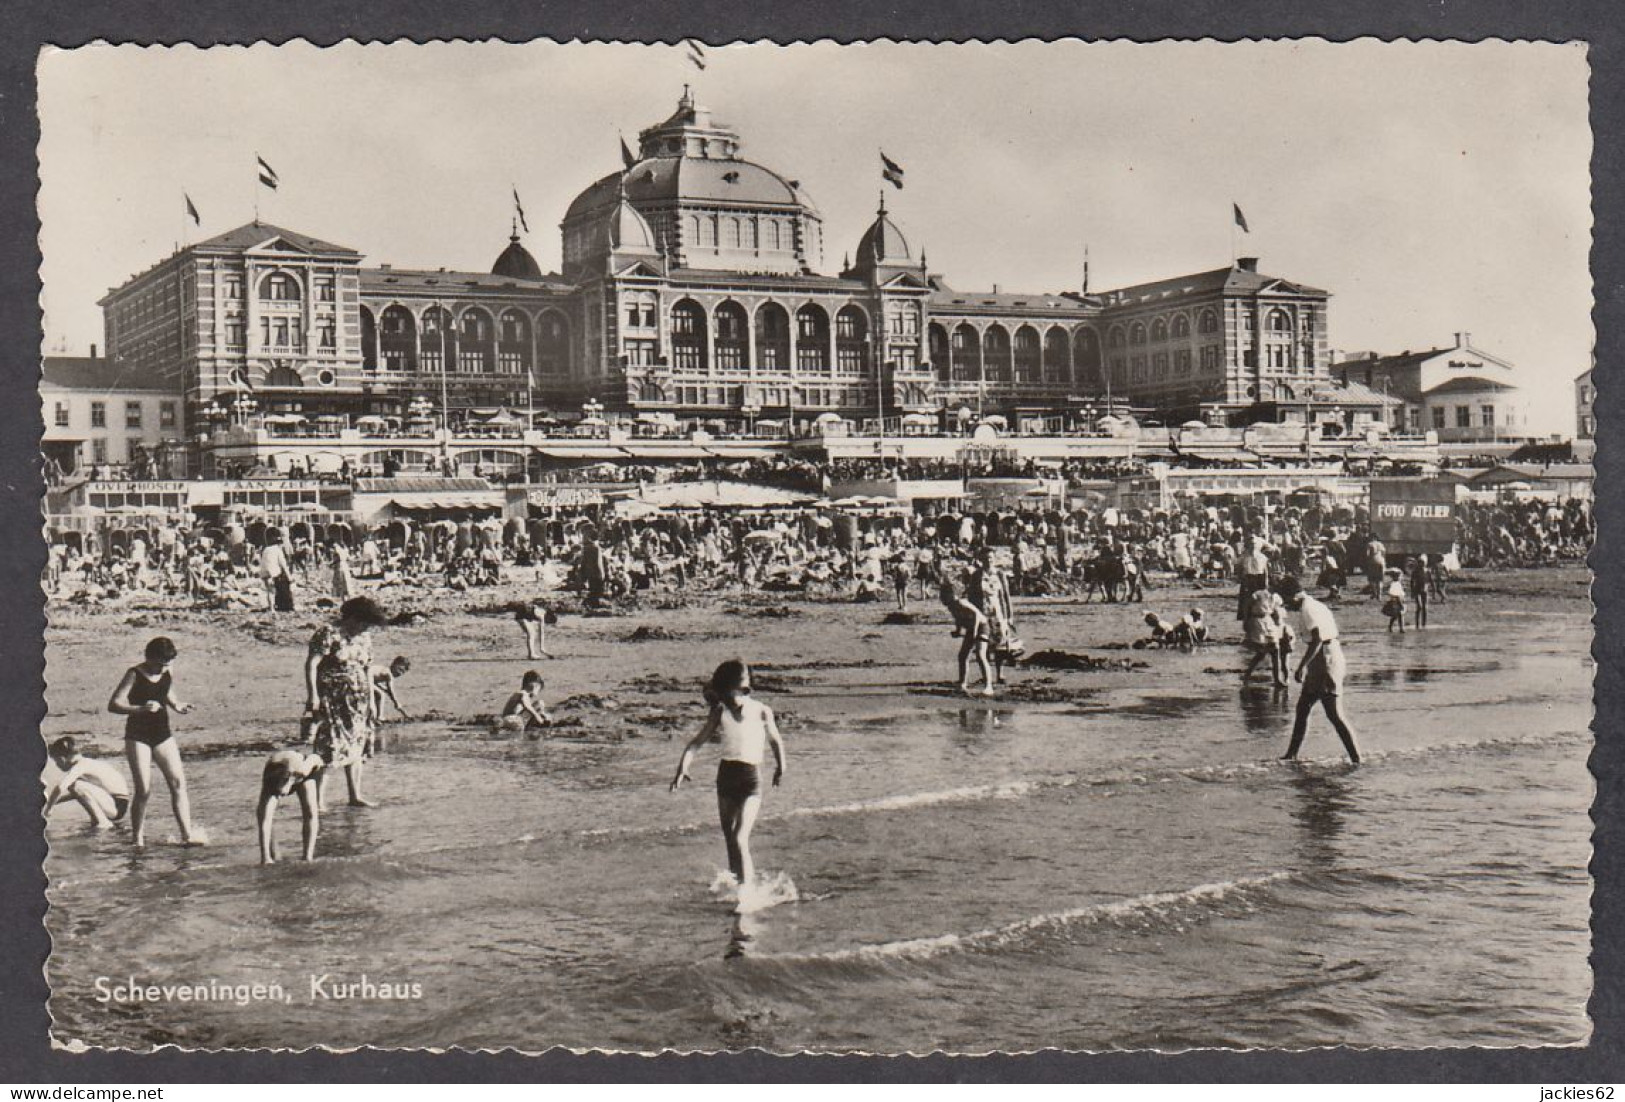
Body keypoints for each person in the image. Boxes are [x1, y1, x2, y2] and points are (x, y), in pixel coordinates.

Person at [670, 660, 787, 899]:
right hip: (726, 777)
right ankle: (738, 884)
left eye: (732, 698)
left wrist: (781, 766)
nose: (729, 704)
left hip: (751, 779)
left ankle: (748, 894)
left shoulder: (762, 711)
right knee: (729, 837)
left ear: (744, 690)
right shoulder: (720, 712)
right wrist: (683, 767)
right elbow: (696, 742)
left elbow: (775, 740)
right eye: (724, 698)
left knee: (740, 837)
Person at [107, 636, 202, 847]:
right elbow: (113, 704)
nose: (163, 668)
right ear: (149, 657)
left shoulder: (167, 670)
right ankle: (137, 839)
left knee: (178, 783)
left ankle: (186, 836)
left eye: (167, 664)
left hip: (162, 733)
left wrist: (177, 705)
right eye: (160, 664)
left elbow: (166, 691)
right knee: (144, 790)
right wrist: (140, 709)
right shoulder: (134, 674)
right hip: (138, 735)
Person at [305, 596, 390, 810]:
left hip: (358, 702)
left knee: (357, 746)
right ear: (352, 617)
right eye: (363, 623)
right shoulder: (328, 633)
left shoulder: (364, 638)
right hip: (332, 701)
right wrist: (313, 695)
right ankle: (318, 802)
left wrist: (371, 700)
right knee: (328, 747)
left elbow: (368, 669)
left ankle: (355, 795)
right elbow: (312, 664)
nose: (364, 628)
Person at [1278, 576, 1361, 764]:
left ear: (1294, 596)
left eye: (1286, 599)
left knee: (1334, 713)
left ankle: (1356, 758)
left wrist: (1301, 666)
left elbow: (1317, 640)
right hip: (1324, 658)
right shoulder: (1314, 605)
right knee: (1303, 708)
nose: (1286, 605)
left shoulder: (1309, 609)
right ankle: (1291, 755)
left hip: (1325, 659)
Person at [42, 737, 131, 829]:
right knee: (76, 787)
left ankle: (103, 822)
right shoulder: (87, 763)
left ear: (62, 758)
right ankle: (99, 820)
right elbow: (78, 794)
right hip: (116, 804)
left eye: (56, 761)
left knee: (75, 786)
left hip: (116, 806)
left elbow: (61, 787)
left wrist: (48, 809)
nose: (57, 766)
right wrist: (49, 802)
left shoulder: (80, 766)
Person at [256, 748, 324, 864]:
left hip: (306, 769)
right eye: (277, 793)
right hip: (278, 768)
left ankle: (307, 856)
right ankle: (268, 855)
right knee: (264, 814)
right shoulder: (270, 775)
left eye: (281, 792)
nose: (282, 795)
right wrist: (265, 858)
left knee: (311, 812)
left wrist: (319, 794)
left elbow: (318, 760)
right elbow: (264, 820)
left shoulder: (303, 770)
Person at [941, 583, 996, 695]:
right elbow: (958, 619)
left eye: (945, 595)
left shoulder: (961, 603)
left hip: (982, 626)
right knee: (962, 655)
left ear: (953, 594)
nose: (943, 598)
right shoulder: (951, 606)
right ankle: (962, 683)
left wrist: (975, 631)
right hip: (971, 629)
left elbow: (976, 614)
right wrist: (958, 631)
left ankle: (988, 686)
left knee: (980, 655)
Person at [1241, 586, 1289, 687]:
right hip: (1257, 621)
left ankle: (1277, 679)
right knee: (1261, 653)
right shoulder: (1258, 594)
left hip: (1269, 621)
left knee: (1275, 649)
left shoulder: (1276, 597)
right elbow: (1246, 606)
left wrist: (1280, 623)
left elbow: (1278, 611)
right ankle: (1247, 675)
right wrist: (1245, 621)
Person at [367, 656, 411, 753]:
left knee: (380, 694)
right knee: (379, 695)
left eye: (403, 673)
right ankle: (379, 717)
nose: (400, 674)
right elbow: (391, 691)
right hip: (367, 675)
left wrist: (383, 689)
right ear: (394, 665)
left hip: (367, 675)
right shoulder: (388, 674)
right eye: (400, 670)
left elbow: (376, 681)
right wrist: (396, 703)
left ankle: (377, 717)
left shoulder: (385, 671)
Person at [498, 671, 551, 735]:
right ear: (534, 685)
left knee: (538, 707)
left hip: (507, 720)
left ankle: (532, 726)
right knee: (540, 703)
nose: (537, 694)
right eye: (538, 689)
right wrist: (538, 717)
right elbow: (528, 706)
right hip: (513, 720)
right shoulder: (523, 693)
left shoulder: (519, 693)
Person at [260, 529, 294, 612]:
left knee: (269, 591)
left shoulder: (266, 549)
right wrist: (289, 577)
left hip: (264, 572)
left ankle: (271, 607)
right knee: (277, 589)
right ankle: (280, 605)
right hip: (273, 573)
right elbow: (283, 564)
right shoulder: (278, 550)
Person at [1408, 554, 1431, 629]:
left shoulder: (1427, 571)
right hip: (1417, 590)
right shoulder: (1415, 571)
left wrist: (1433, 590)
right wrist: (1412, 591)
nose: (1421, 564)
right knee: (1419, 606)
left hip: (1425, 590)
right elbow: (1412, 581)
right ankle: (1417, 624)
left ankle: (1424, 624)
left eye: (1423, 562)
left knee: (1425, 607)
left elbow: (1430, 581)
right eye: (1420, 562)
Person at [1382, 568, 1407, 633]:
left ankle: (1391, 626)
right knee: (1400, 614)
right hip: (1396, 601)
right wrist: (1400, 603)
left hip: (1398, 600)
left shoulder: (1397, 583)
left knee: (1396, 615)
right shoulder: (1395, 584)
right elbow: (1396, 594)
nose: (1400, 578)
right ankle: (1401, 628)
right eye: (1399, 576)